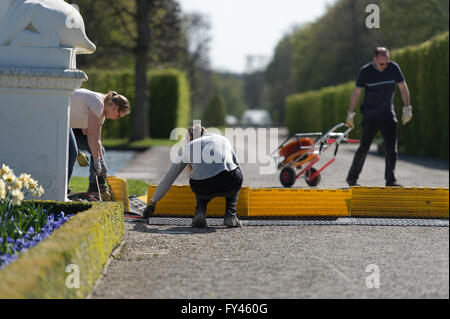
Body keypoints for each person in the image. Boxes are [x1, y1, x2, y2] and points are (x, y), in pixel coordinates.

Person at [143, 124, 243, 228]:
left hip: (204, 189)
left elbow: (169, 177)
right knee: (235, 173)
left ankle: (200, 213)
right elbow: (238, 167)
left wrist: (152, 202)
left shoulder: (188, 147)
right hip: (230, 184)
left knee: (199, 176)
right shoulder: (223, 139)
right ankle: (231, 215)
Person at [345, 47, 412, 187]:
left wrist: (407, 108)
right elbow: (356, 93)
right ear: (374, 60)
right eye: (382, 64)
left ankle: (391, 180)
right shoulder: (365, 71)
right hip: (371, 116)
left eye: (387, 62)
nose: (385, 66)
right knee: (364, 147)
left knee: (391, 149)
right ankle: (352, 178)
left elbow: (403, 87)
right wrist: (350, 113)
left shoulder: (393, 68)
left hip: (388, 114)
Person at [68, 88, 130, 197]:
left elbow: (98, 139)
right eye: (119, 116)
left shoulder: (102, 114)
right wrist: (96, 160)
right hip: (58, 117)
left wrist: (101, 161)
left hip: (67, 124)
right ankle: (61, 191)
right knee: (72, 153)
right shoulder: (98, 103)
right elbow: (92, 134)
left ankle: (95, 187)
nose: (116, 119)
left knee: (90, 151)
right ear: (115, 107)